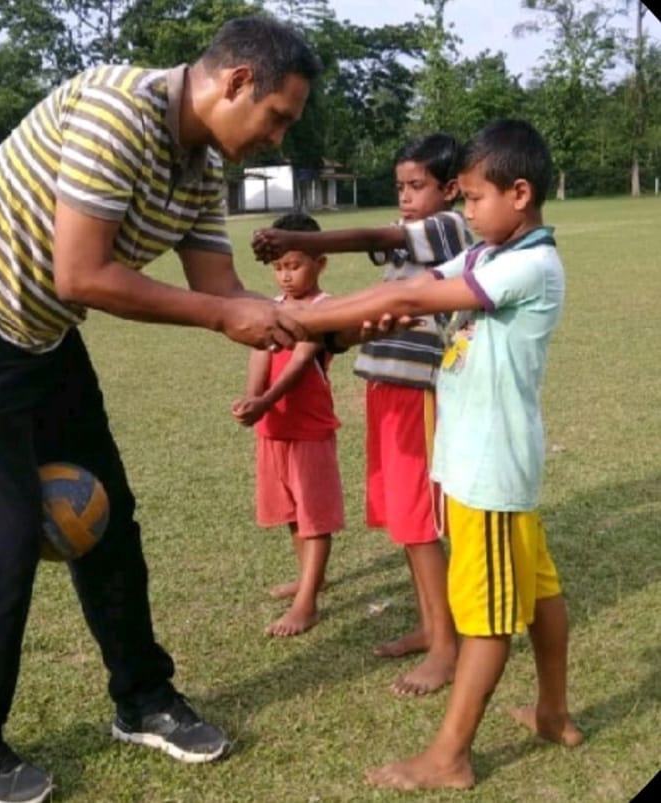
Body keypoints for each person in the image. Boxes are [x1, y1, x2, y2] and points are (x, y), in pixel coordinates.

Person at [0, 16, 321, 803]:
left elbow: (222, 291)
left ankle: (143, 697)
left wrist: (325, 321)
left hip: (40, 332)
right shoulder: (116, 112)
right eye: (277, 117)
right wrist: (226, 317)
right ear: (233, 83)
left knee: (108, 519)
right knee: (2, 536)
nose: (277, 136)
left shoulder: (198, 167)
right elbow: (83, 275)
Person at [288, 119, 583, 790]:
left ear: (518, 192)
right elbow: (412, 291)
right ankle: (552, 713)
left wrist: (298, 318)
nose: (465, 209)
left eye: (473, 198)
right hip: (478, 459)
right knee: (538, 590)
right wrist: (367, 315)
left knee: (485, 620)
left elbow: (410, 294)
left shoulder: (528, 264)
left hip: (490, 471)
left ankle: (449, 754)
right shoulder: (485, 254)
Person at [252, 133, 471, 694]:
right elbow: (378, 308)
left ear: (449, 189)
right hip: (385, 387)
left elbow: (377, 234)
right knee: (403, 518)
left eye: (416, 186)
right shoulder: (410, 248)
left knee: (420, 521)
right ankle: (429, 627)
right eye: (399, 186)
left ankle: (447, 647)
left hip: (416, 393)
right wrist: (336, 337)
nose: (405, 197)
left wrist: (298, 236)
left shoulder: (449, 228)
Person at [232, 212, 344, 638]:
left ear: (320, 263)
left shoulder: (324, 308)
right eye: (278, 267)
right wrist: (250, 396)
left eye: (294, 265)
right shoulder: (271, 309)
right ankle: (308, 578)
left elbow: (300, 362)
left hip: (308, 425)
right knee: (294, 513)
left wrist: (264, 401)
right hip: (273, 426)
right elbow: (260, 351)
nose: (285, 276)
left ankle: (308, 602)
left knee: (315, 514)